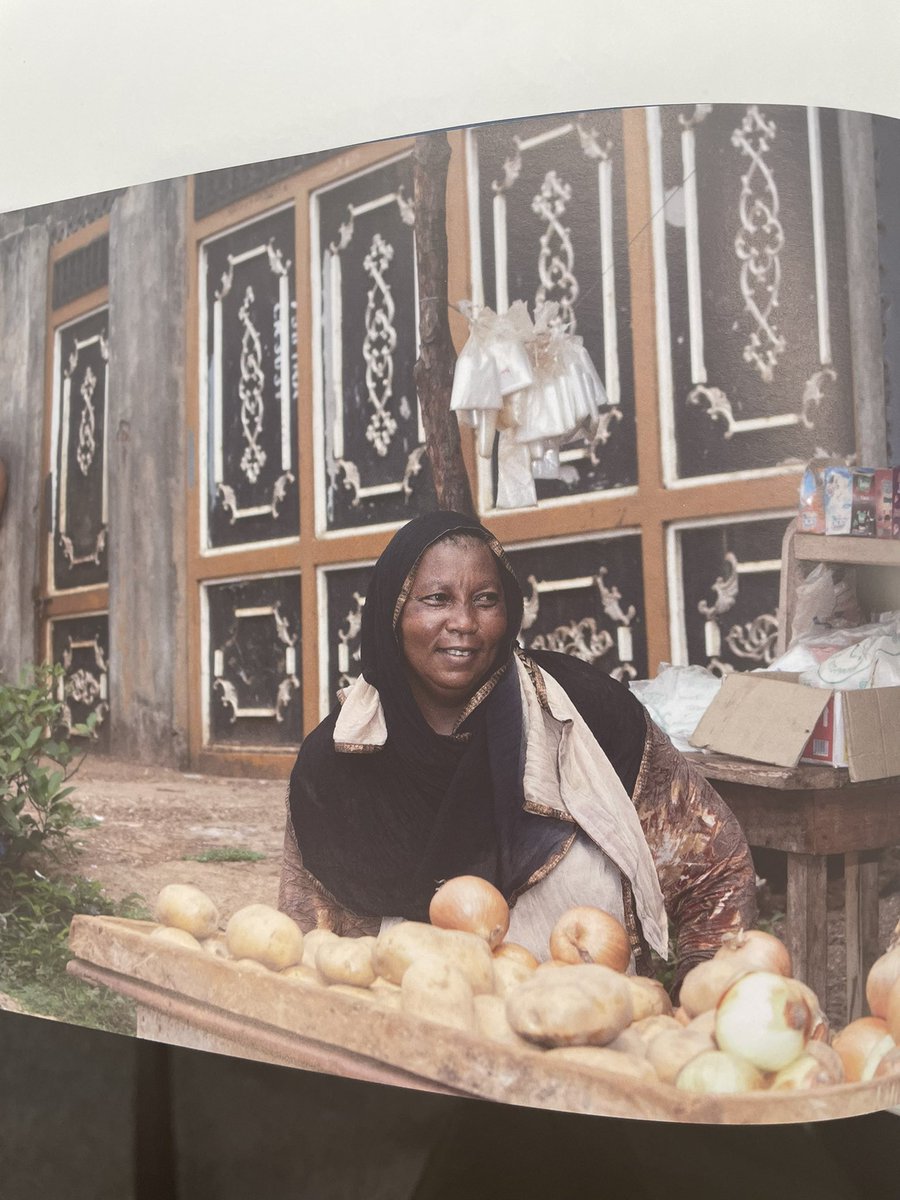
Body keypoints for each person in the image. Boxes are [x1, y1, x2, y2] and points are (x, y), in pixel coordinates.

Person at [279, 510, 756, 991]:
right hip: (409, 1039)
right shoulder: (338, 763)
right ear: (393, 613)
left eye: (486, 600)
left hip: (593, 1033)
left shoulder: (585, 714)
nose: (464, 622)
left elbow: (714, 865)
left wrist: (703, 993)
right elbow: (306, 945)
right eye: (437, 599)